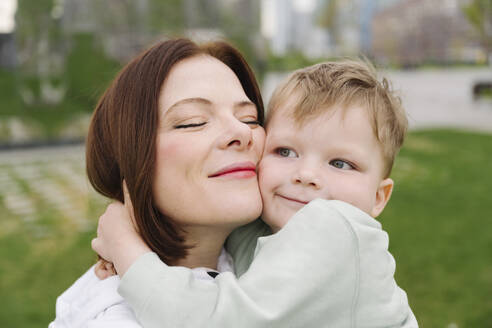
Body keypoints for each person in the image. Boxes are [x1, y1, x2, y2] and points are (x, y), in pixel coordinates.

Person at [92, 60, 418, 327]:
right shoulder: (267, 229)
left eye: (341, 163)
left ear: (379, 197)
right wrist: (137, 227)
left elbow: (214, 320)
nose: (306, 175)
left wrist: (125, 247)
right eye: (286, 151)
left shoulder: (335, 232)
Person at [49, 38, 267, 327]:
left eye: (249, 118)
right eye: (193, 121)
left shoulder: (269, 266)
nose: (241, 131)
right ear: (130, 159)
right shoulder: (115, 319)